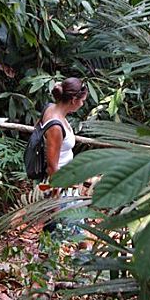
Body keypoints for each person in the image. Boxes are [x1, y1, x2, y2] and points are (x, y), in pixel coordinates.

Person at [40, 77, 88, 236]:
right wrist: (56, 199)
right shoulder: (55, 126)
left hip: (65, 182)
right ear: (74, 100)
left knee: (57, 229)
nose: (82, 104)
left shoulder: (51, 108)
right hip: (60, 186)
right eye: (82, 101)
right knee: (68, 231)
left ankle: (46, 257)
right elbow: (52, 166)